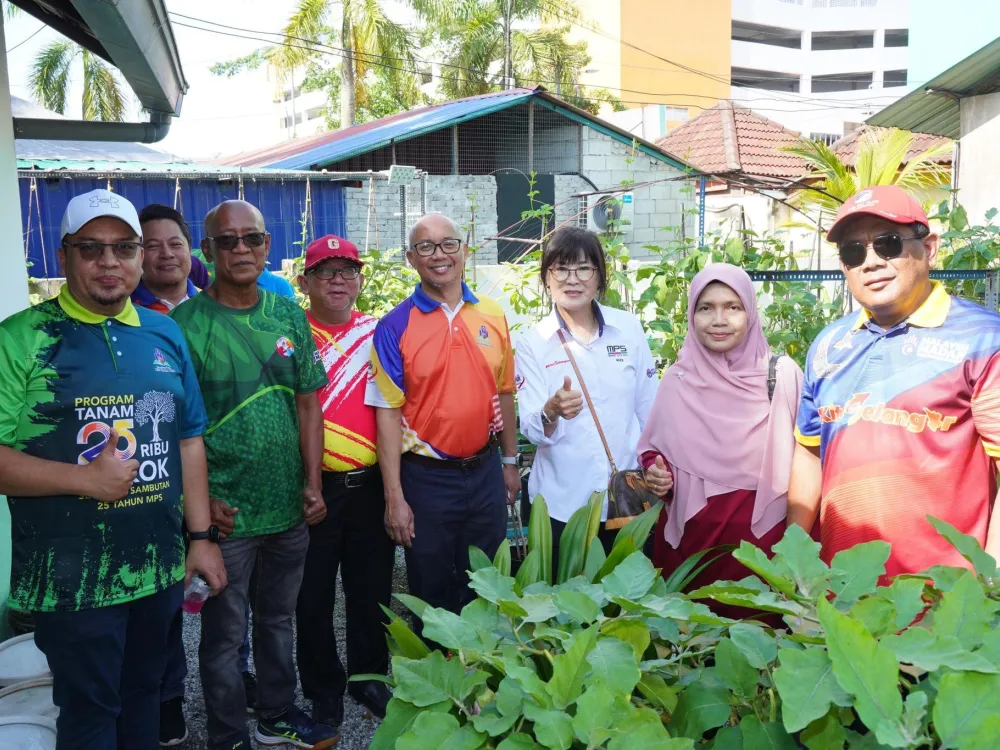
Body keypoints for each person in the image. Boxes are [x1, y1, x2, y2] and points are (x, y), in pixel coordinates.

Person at [0, 189, 226, 750]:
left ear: (140, 256)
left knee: (146, 695)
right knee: (90, 712)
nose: (109, 262)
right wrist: (84, 480)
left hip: (156, 566)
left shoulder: (163, 332)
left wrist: (201, 538)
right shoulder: (22, 338)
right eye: (91, 248)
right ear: (64, 256)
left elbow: (188, 439)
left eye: (124, 248)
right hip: (68, 577)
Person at [171, 200, 337, 750]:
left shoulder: (288, 314)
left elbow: (309, 403)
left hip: (289, 506)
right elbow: (172, 429)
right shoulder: (184, 327)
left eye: (252, 238)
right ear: (207, 251)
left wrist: (313, 482)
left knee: (277, 620)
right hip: (227, 516)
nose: (240, 249)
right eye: (227, 240)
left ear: (267, 246)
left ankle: (275, 716)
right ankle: (227, 736)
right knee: (223, 637)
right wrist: (198, 507)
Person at [788, 185, 1000, 579]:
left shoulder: (983, 339)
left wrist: (990, 583)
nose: (870, 262)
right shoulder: (829, 345)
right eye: (854, 252)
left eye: (888, 244)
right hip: (843, 592)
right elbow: (808, 453)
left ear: (930, 248)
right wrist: (793, 560)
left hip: (947, 598)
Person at [132, 204, 261, 746]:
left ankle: (239, 672)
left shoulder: (218, 304)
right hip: (158, 483)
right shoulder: (129, 317)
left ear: (193, 251)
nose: (166, 254)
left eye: (175, 243)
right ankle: (167, 693)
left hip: (219, 482)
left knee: (226, 592)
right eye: (151, 245)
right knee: (164, 597)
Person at [366, 213, 519, 625]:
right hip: (426, 479)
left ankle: (484, 665)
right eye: (426, 247)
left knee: (485, 585)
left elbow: (504, 392)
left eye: (449, 244)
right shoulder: (394, 326)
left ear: (464, 251)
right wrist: (394, 497)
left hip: (485, 472)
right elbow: (387, 414)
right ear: (411, 259)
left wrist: (509, 462)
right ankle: (437, 664)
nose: (440, 255)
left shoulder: (492, 314)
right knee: (430, 588)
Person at [639, 264, 802, 607]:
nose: (719, 320)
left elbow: (809, 462)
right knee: (693, 631)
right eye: (706, 308)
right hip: (691, 550)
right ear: (691, 314)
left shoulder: (781, 376)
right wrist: (656, 473)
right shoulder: (678, 380)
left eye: (732, 307)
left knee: (759, 631)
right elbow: (654, 451)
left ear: (750, 312)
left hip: (762, 549)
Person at [294, 235, 395, 727]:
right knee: (311, 594)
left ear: (359, 280)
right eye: (326, 271)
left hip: (370, 483)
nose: (338, 280)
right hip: (314, 488)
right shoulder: (290, 334)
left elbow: (395, 407)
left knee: (371, 588)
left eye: (348, 270)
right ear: (305, 281)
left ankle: (368, 677)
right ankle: (322, 687)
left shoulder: (379, 333)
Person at [515, 226, 658, 569]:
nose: (572, 279)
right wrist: (551, 411)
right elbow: (531, 428)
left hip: (626, 499)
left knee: (626, 593)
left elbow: (649, 410)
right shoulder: (533, 342)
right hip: (563, 503)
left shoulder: (628, 329)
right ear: (546, 278)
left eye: (583, 268)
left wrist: (655, 464)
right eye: (561, 269)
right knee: (566, 596)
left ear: (599, 277)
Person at [132, 204, 199, 314]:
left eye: (175, 244)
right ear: (139, 254)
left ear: (190, 248)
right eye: (153, 246)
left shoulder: (211, 304)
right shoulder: (124, 308)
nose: (167, 254)